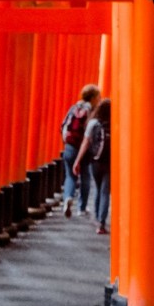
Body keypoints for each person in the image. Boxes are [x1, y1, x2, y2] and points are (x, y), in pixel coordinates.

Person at [71, 97, 112, 235]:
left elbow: (85, 143)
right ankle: (101, 222)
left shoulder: (93, 123)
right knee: (105, 191)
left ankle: (96, 218)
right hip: (109, 162)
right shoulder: (115, 123)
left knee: (97, 188)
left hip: (95, 161)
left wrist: (77, 161)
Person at [60, 84, 100, 217]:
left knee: (70, 175)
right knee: (85, 176)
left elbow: (63, 125)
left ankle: (67, 197)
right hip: (84, 148)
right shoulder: (92, 111)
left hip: (70, 147)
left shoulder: (74, 108)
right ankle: (82, 207)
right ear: (93, 98)